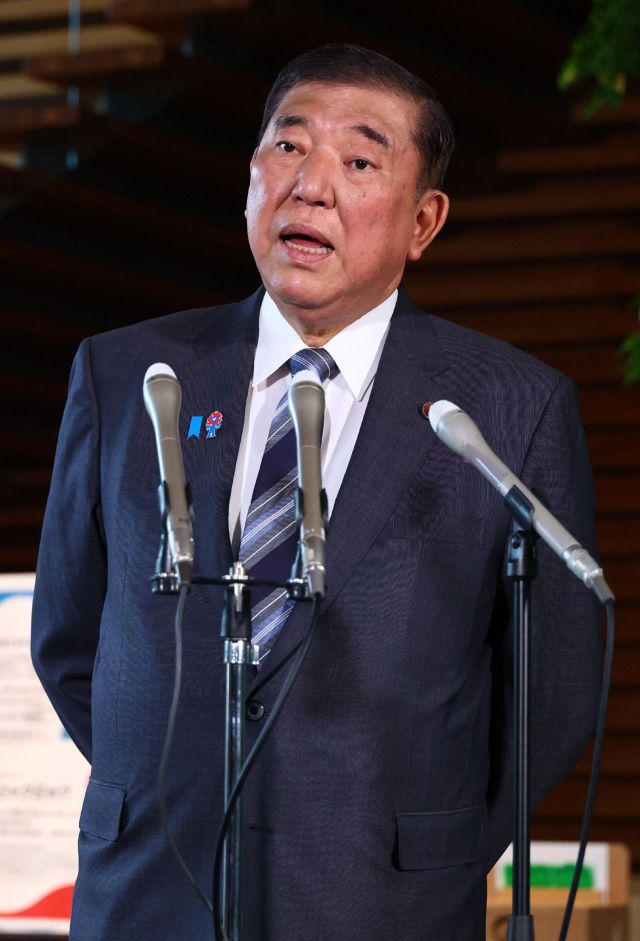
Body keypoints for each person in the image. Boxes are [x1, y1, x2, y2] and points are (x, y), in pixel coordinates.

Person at [31, 44, 601, 941]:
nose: (311, 186)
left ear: (423, 221)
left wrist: (428, 848)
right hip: (150, 893)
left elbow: (555, 693)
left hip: (383, 903)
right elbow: (67, 638)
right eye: (289, 147)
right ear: (251, 175)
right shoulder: (126, 373)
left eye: (361, 161)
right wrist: (175, 787)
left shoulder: (508, 410)